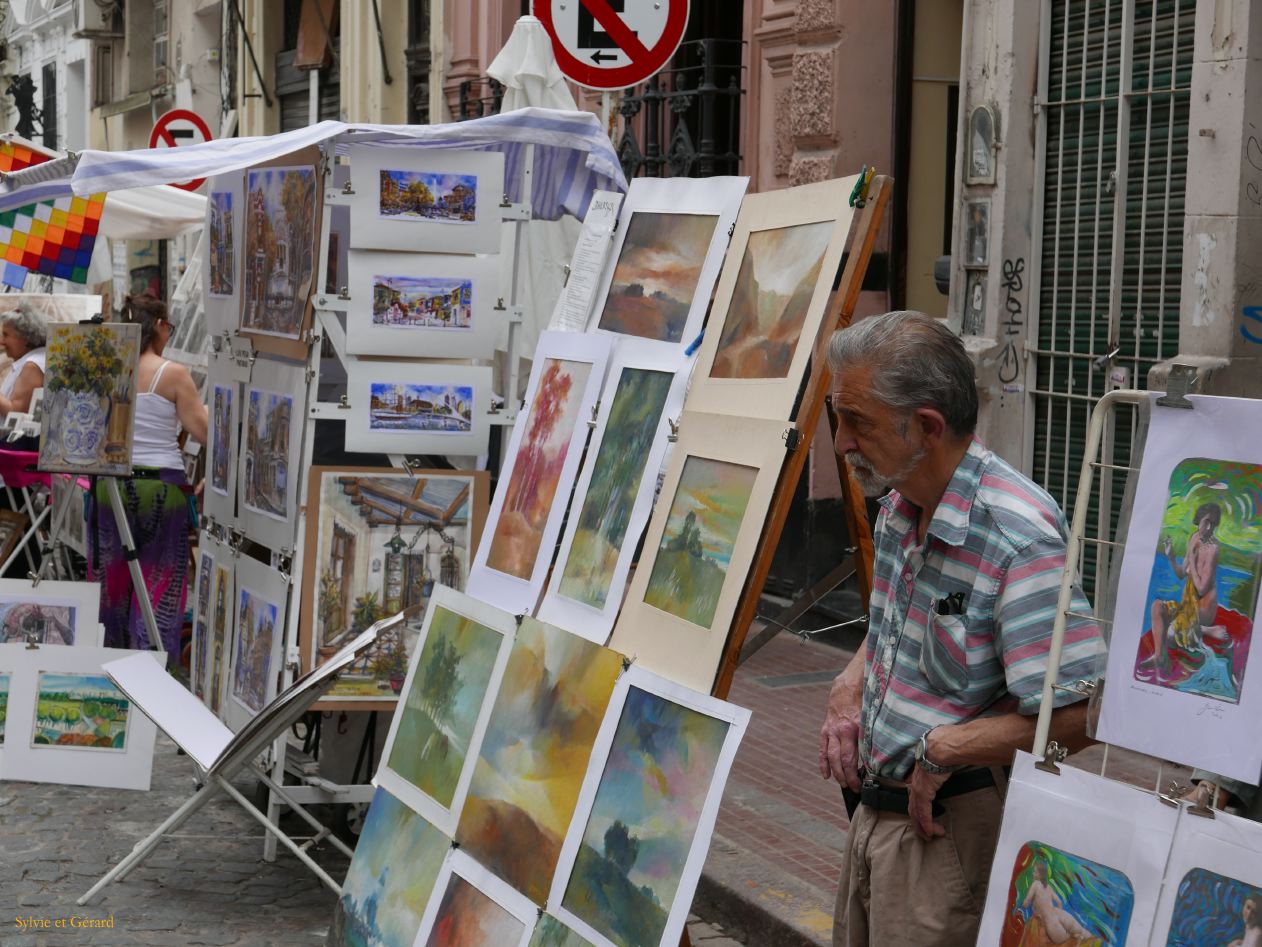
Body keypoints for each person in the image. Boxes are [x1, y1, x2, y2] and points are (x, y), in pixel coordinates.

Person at [817, 311, 1106, 946]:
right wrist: (852, 676)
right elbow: (897, 622)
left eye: (855, 421)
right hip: (877, 817)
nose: (840, 442)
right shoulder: (901, 503)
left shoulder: (1016, 536)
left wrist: (945, 747)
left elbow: (1079, 716)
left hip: (945, 831)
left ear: (926, 427)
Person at [87, 295, 208, 664]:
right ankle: (152, 677)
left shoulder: (103, 368)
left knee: (114, 586)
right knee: (159, 587)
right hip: (161, 488)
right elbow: (204, 432)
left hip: (110, 486)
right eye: (168, 328)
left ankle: (113, 674)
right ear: (157, 326)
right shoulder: (171, 373)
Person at [1144, 502, 1230, 677]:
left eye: (1213, 523)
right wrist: (1171, 556)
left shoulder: (1213, 549)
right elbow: (1182, 573)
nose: (1209, 527)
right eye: (1206, 522)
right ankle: (1160, 657)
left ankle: (1206, 629)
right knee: (1157, 607)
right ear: (1199, 520)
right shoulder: (1194, 537)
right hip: (1187, 606)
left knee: (1170, 635)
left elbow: (1200, 588)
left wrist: (1191, 555)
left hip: (1204, 609)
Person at [0, 306, 47, 441]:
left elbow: (16, 411)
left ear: (25, 338)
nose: (2, 341)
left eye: (6, 335)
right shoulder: (33, 359)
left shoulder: (32, 365)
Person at [1020, 860, 1093, 944]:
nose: (1033, 874)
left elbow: (1027, 900)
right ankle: (1089, 939)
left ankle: (1077, 939)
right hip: (1058, 912)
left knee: (1063, 941)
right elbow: (1059, 902)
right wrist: (1056, 912)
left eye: (1034, 872)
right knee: (1077, 928)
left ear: (1040, 875)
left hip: (1048, 918)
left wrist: (1024, 905)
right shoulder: (1048, 887)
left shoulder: (1035, 884)